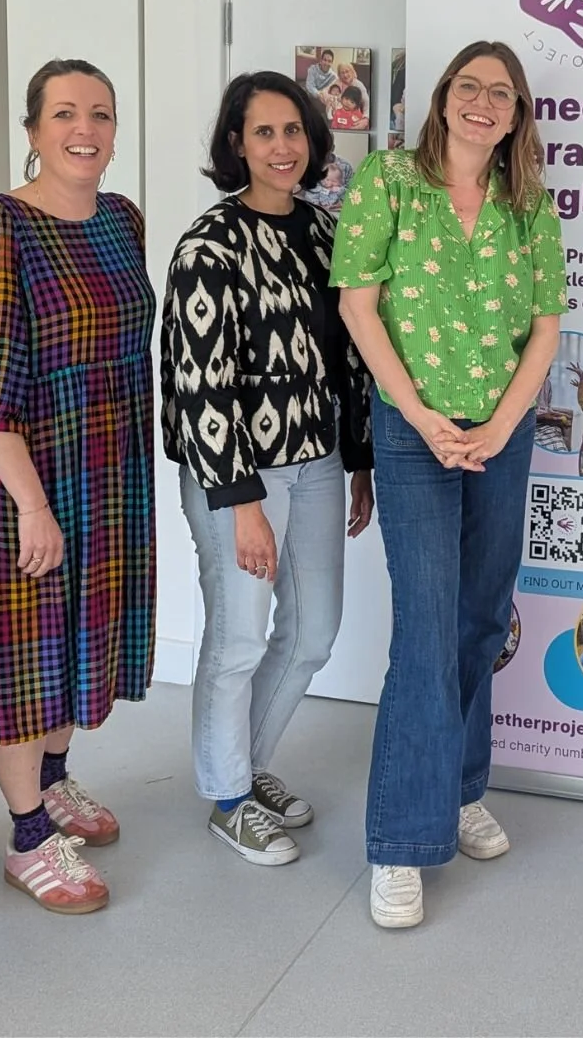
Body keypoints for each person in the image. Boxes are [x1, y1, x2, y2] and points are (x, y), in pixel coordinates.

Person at [330, 40, 565, 930]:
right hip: (411, 426)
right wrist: (423, 417)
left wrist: (502, 426)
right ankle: (399, 841)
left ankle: (463, 789)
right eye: (469, 86)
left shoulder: (529, 205)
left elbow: (544, 329)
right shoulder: (389, 181)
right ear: (442, 99)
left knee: (478, 618)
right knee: (426, 629)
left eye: (499, 93)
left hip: (502, 433)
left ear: (516, 114)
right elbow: (359, 304)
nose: (482, 102)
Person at [0, 59, 157, 915]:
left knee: (77, 641)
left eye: (100, 114)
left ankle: (57, 781)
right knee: (21, 655)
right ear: (32, 131)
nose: (85, 128)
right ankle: (27, 836)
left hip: (108, 468)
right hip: (20, 477)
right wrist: (32, 502)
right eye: (65, 113)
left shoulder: (121, 219)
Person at [160, 71, 375, 867]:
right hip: (239, 474)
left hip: (318, 463)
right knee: (240, 638)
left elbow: (344, 361)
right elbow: (198, 379)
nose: (282, 147)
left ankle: (243, 770)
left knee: (313, 632)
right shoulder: (208, 245)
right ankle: (227, 797)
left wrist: (359, 461)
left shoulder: (325, 235)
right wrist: (241, 502)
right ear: (235, 145)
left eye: (294, 131)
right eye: (264, 133)